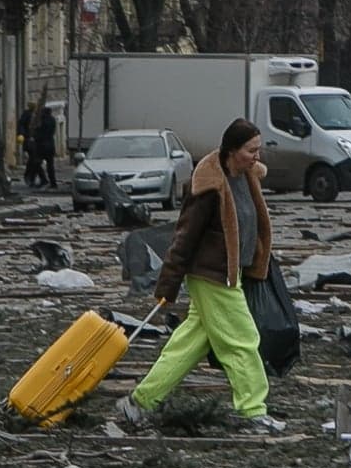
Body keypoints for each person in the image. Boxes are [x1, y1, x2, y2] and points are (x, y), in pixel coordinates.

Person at [115, 119, 283, 434]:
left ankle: (139, 402)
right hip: (214, 277)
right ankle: (252, 410)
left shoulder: (246, 177)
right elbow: (185, 237)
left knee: (188, 345)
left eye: (258, 150)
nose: (257, 157)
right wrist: (168, 284)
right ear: (232, 150)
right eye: (251, 150)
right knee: (243, 340)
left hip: (232, 274)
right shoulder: (208, 185)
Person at [31, 103, 58, 189]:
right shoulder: (53, 120)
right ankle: (53, 183)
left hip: (42, 146)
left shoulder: (42, 121)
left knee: (36, 163)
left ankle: (43, 180)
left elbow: (39, 133)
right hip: (50, 145)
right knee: (50, 166)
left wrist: (35, 136)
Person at [17, 101, 42, 187]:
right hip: (29, 141)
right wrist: (22, 135)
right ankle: (30, 177)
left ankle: (31, 177)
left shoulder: (35, 115)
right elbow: (22, 126)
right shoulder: (27, 115)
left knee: (34, 160)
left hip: (34, 141)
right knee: (33, 159)